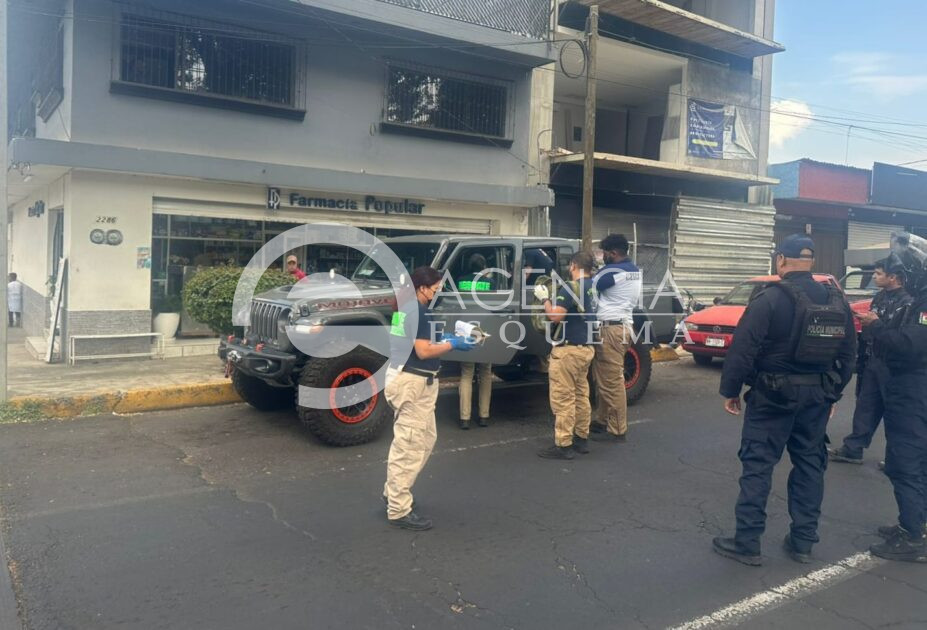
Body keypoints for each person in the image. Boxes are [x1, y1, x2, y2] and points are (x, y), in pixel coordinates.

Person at [713, 235, 856, 566]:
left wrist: (731, 391)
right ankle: (803, 541)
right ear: (811, 261)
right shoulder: (836, 300)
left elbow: (742, 349)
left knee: (758, 465)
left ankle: (747, 541)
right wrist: (832, 392)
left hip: (772, 396)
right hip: (817, 397)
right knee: (810, 465)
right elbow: (850, 354)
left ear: (781, 260)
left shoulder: (770, 299)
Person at [383, 266, 474, 531]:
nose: (438, 292)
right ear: (422, 287)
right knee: (409, 446)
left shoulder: (405, 308)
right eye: (435, 288)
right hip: (414, 382)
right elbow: (423, 351)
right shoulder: (419, 310)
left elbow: (410, 341)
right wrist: (453, 344)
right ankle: (398, 508)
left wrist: (443, 339)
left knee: (424, 440)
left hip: (408, 379)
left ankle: (394, 492)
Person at [857, 232, 927, 562]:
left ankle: (913, 536)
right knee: (918, 462)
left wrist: (876, 326)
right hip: (912, 389)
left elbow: (909, 346)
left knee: (904, 463)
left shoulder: (924, 306)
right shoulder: (918, 300)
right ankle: (915, 524)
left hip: (913, 390)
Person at [829, 257, 911, 464]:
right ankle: (853, 448)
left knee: (895, 413)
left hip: (894, 365)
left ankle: (895, 459)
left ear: (893, 277)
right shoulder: (880, 297)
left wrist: (875, 324)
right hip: (874, 360)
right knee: (866, 405)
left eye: (878, 273)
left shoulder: (907, 302)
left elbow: (900, 338)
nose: (874, 277)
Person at [533, 251, 596, 460]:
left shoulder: (571, 287)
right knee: (581, 395)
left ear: (573, 266)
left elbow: (555, 316)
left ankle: (563, 444)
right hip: (586, 348)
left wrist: (544, 299)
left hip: (568, 351)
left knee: (563, 398)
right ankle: (581, 439)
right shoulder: (593, 287)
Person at [590, 234, 643, 443]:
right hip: (621, 327)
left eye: (604, 253)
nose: (602, 257)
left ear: (613, 253)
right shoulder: (632, 270)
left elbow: (591, 284)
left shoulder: (614, 271)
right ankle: (602, 420)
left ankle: (617, 430)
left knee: (611, 381)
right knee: (604, 378)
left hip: (611, 330)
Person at [456, 253, 493, 430]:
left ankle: (465, 418)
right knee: (485, 372)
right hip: (485, 327)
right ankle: (484, 415)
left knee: (466, 373)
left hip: (467, 328)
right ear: (484, 267)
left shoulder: (460, 281)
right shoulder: (490, 283)